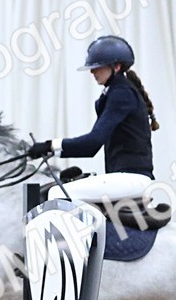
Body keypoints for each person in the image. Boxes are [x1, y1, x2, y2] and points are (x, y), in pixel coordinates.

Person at [27, 35, 160, 202]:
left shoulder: (122, 94)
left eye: (98, 67)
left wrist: (50, 146)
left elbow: (92, 143)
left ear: (116, 67)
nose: (92, 72)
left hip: (131, 178)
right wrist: (49, 150)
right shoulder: (115, 92)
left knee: (56, 193)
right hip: (124, 178)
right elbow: (91, 147)